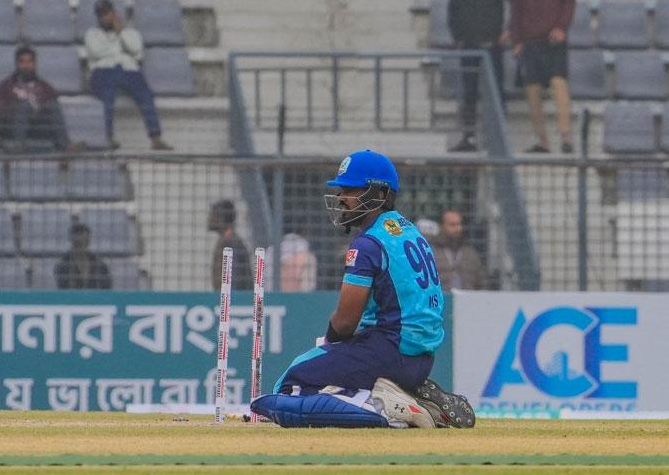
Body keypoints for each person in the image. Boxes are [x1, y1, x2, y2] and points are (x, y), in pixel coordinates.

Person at [250, 150, 476, 429]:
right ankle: (406, 396)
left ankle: (384, 407)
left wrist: (330, 343)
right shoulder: (409, 230)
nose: (341, 197)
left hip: (388, 351)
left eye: (350, 190)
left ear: (380, 194)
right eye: (341, 190)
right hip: (420, 359)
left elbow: (346, 321)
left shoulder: (368, 243)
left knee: (288, 387)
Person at [508, 0, 576, 154]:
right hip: (529, 40)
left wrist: (562, 27)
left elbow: (569, 1)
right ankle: (542, 141)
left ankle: (565, 136)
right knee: (532, 91)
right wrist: (516, 39)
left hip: (554, 39)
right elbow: (516, 7)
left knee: (559, 84)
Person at [447, 0, 510, 152]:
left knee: (496, 92)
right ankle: (469, 136)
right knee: (469, 92)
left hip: (493, 45)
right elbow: (453, 9)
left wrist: (510, 30)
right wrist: (458, 37)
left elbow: (519, 5)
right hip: (469, 45)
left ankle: (499, 137)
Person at [83, 0, 171, 151]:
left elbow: (136, 50)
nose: (104, 18)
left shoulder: (131, 33)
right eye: (101, 15)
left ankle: (156, 138)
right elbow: (96, 52)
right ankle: (108, 137)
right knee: (107, 97)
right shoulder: (92, 34)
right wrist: (120, 50)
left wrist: (121, 33)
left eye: (106, 14)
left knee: (145, 95)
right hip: (103, 70)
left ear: (114, 13)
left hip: (128, 70)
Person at [0, 45, 75, 152]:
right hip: (13, 129)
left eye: (29, 62)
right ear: (17, 64)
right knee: (23, 104)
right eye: (22, 62)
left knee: (52, 105)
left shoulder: (46, 87)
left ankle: (65, 145)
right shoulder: (6, 86)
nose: (26, 66)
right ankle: (17, 145)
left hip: (37, 129)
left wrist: (36, 112)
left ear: (35, 64)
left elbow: (53, 111)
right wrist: (14, 108)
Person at [433, 210, 486, 292]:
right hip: (442, 298)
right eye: (452, 225)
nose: (458, 228)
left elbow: (482, 284)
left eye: (459, 224)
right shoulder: (433, 253)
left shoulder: (470, 254)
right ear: (442, 227)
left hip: (468, 298)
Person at [208, 199, 251, 291]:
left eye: (213, 215)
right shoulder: (228, 241)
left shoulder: (232, 243)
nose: (210, 218)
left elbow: (235, 279)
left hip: (232, 298)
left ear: (221, 217)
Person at [53, 223, 111, 289]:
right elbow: (63, 288)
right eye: (78, 244)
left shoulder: (100, 265)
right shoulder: (63, 265)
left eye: (85, 242)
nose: (81, 247)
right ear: (72, 241)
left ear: (88, 241)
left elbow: (107, 287)